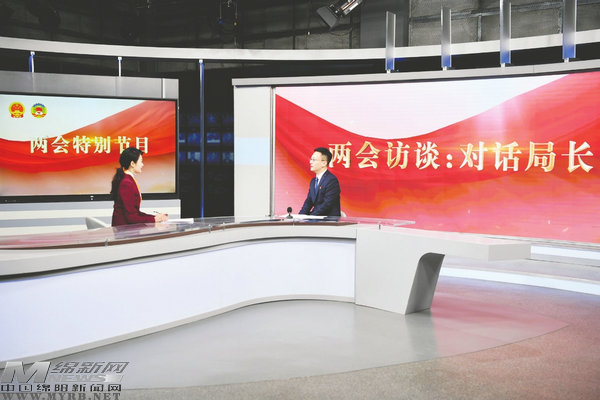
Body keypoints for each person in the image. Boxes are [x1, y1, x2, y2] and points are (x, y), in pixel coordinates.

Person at [110, 147, 168, 226]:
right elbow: (131, 217)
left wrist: (155, 218)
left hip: (125, 228)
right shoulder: (127, 183)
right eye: (141, 161)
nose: (142, 164)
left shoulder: (128, 179)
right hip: (123, 230)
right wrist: (154, 219)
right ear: (132, 164)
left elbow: (135, 213)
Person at [299, 147, 341, 216]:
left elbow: (326, 205)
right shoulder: (313, 181)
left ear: (324, 163)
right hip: (316, 218)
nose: (310, 162)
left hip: (328, 220)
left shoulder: (331, 180)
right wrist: (299, 217)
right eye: (311, 159)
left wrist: (311, 217)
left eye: (314, 160)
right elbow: (308, 202)